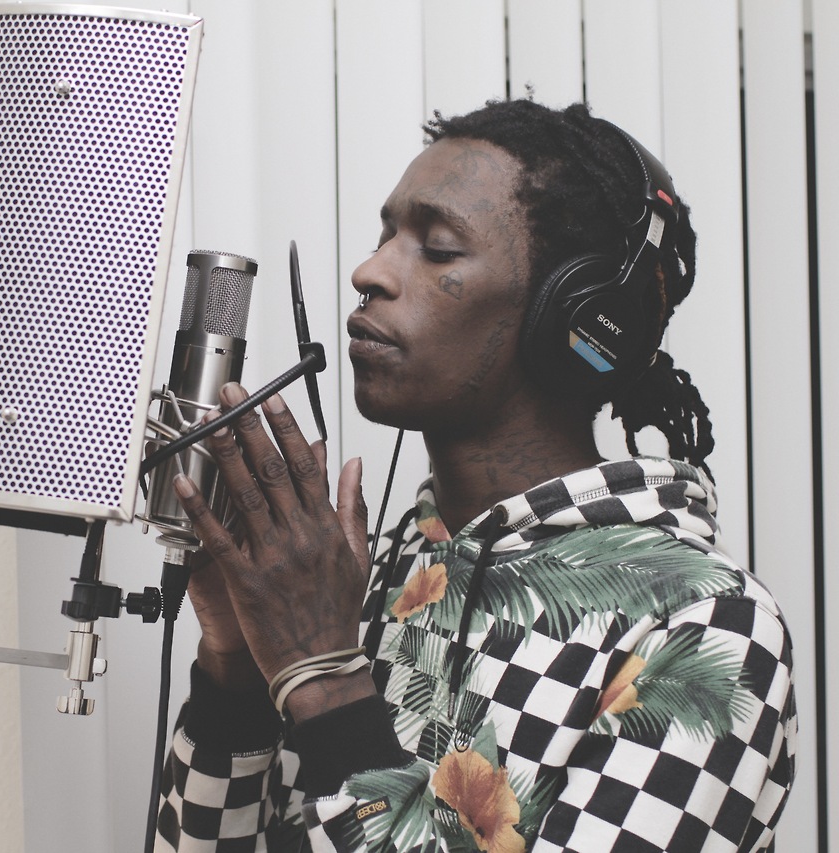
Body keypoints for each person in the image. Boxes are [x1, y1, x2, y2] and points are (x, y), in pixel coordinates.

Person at [157, 99, 796, 852]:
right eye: (386, 237)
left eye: (437, 248)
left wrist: (326, 680)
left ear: (572, 315)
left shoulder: (707, 628)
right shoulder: (362, 576)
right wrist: (236, 663)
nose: (369, 272)